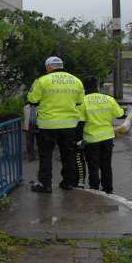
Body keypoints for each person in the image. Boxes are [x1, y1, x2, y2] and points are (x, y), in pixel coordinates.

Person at [27, 56, 85, 193]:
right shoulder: (76, 81)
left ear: (48, 67)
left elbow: (32, 100)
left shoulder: (42, 80)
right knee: (68, 155)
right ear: (61, 65)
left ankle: (45, 185)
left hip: (47, 125)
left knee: (46, 155)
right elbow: (79, 102)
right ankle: (68, 183)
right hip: (69, 125)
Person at [79, 77, 125, 194]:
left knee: (93, 166)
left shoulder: (83, 101)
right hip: (107, 139)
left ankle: (95, 189)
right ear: (97, 86)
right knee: (106, 166)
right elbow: (120, 114)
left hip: (91, 140)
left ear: (84, 88)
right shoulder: (108, 99)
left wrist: (78, 140)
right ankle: (108, 189)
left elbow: (80, 122)